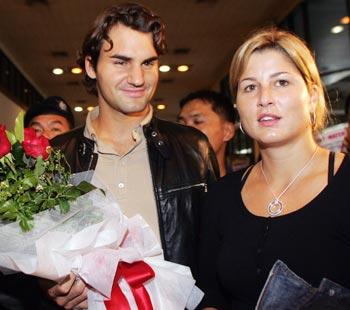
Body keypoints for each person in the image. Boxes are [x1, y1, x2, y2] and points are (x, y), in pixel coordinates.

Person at [47, 3, 218, 309]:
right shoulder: (57, 155)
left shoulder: (193, 148)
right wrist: (52, 286)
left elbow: (217, 254)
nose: (138, 78)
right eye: (121, 62)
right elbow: (37, 252)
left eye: (148, 63)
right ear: (90, 66)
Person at [197, 27, 350, 309]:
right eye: (250, 87)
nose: (264, 98)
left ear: (313, 96)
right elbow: (209, 293)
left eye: (281, 82)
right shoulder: (220, 197)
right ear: (238, 107)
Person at [178, 90, 236, 176]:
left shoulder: (245, 187)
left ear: (227, 131)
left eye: (197, 121)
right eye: (182, 124)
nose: (185, 131)